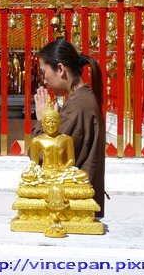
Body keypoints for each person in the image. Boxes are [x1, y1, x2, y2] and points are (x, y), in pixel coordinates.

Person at [32, 39, 106, 217]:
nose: (44, 79)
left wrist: (42, 120)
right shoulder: (79, 101)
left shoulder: (78, 107)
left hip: (71, 209)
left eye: (44, 72)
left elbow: (45, 158)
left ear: (60, 69)